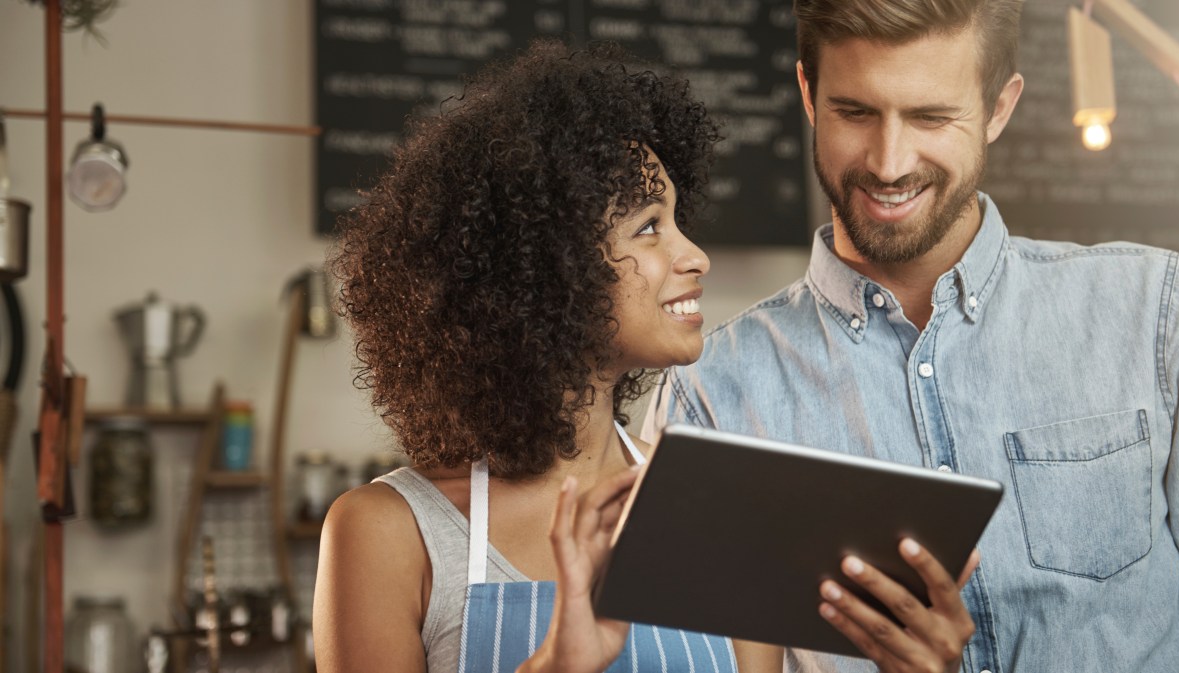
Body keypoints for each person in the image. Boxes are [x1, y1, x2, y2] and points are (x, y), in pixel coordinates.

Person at [315, 39, 978, 673]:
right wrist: (560, 662)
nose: (696, 257)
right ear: (550, 267)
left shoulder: (728, 518)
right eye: (650, 226)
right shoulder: (388, 534)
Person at [645, 1, 1179, 672]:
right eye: (856, 112)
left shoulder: (1158, 312)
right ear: (808, 95)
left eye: (930, 117)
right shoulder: (709, 392)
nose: (889, 163)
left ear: (999, 108)